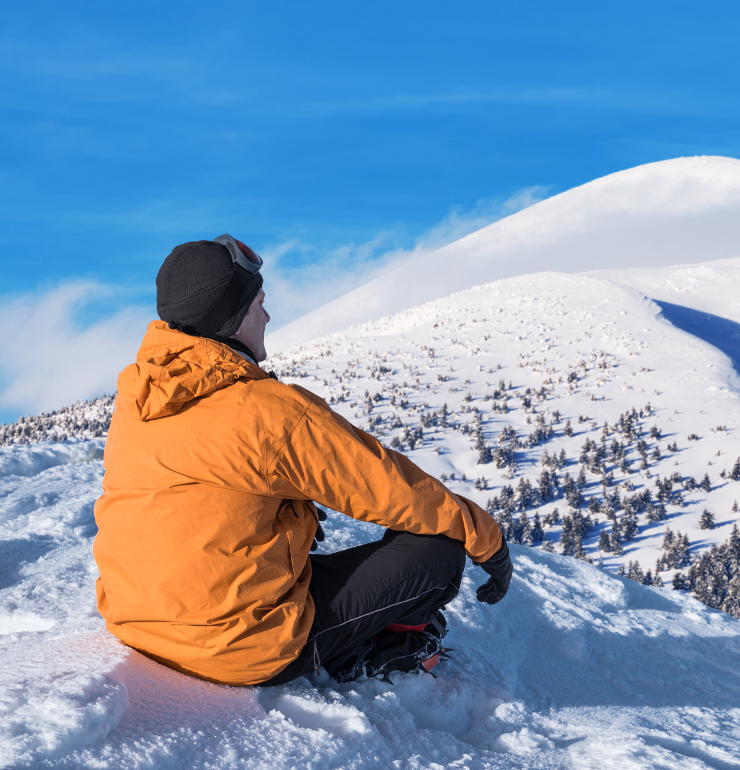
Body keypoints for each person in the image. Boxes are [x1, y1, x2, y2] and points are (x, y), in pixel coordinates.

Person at [92, 235, 512, 687]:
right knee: (439, 551)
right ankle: (386, 648)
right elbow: (392, 488)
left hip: (137, 627)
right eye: (259, 303)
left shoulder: (138, 399)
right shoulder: (266, 411)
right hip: (238, 651)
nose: (268, 315)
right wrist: (488, 541)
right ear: (234, 319)